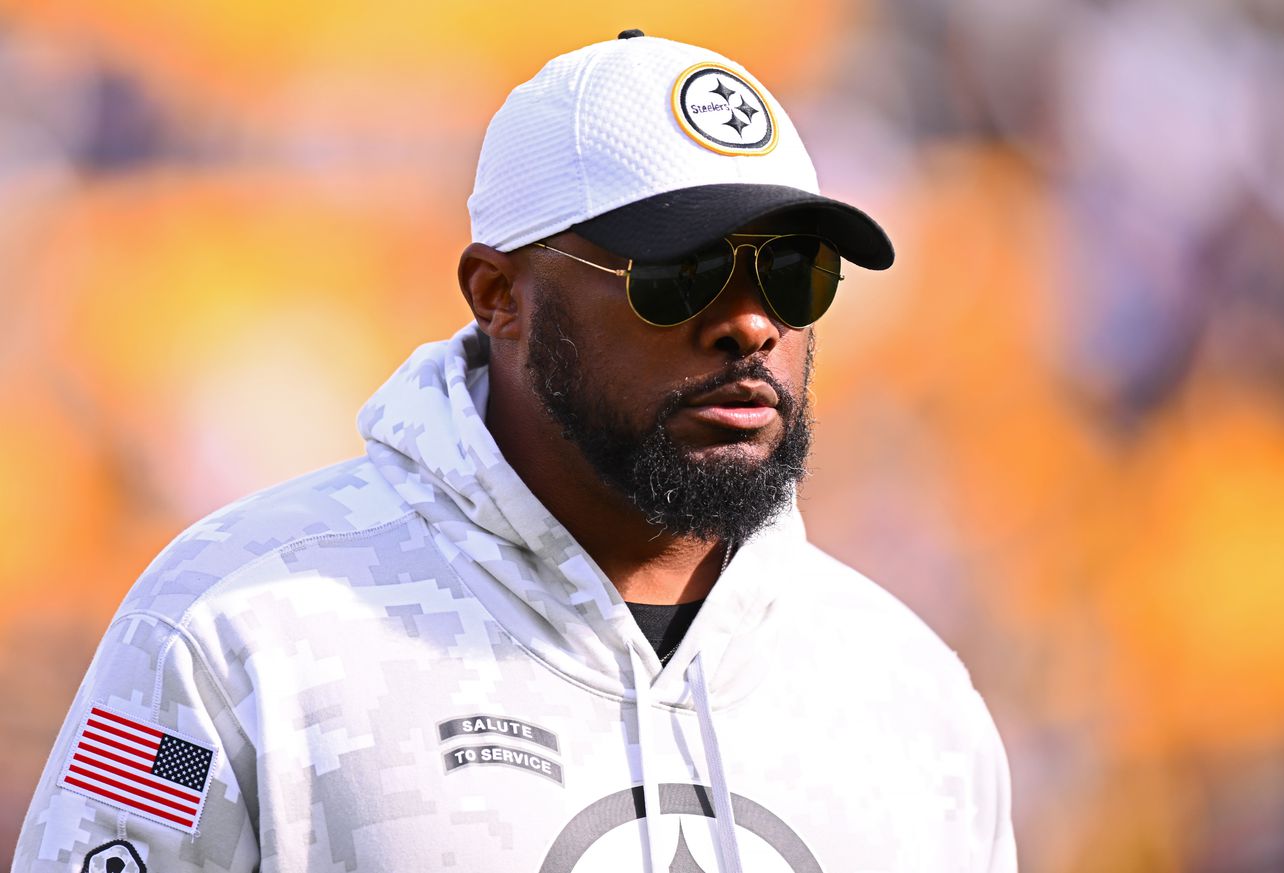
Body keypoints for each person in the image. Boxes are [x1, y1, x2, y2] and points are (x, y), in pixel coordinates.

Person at [13, 31, 1016, 873]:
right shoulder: (225, 628)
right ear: (498, 294)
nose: (749, 323)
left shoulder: (913, 701)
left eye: (794, 274)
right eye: (680, 273)